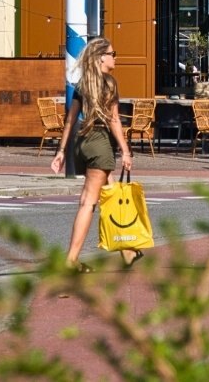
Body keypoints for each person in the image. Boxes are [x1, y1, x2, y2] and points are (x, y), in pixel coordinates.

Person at [50, 37, 139, 269]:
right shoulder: (109, 83)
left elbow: (70, 118)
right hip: (100, 142)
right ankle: (71, 259)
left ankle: (126, 250)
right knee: (88, 202)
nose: (115, 57)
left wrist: (61, 151)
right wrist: (126, 151)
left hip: (81, 142)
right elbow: (114, 119)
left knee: (109, 195)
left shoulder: (83, 84)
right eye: (112, 53)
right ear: (101, 57)